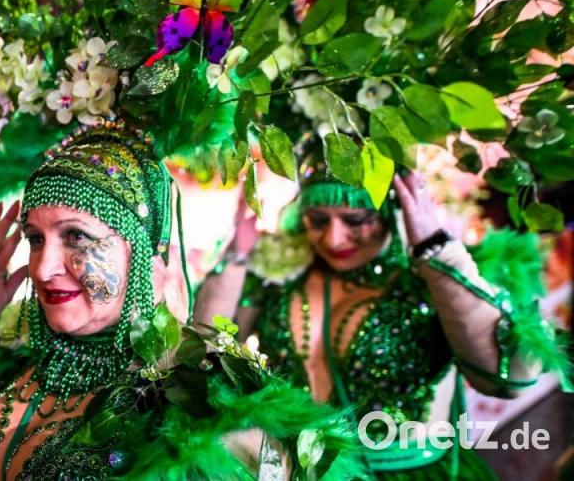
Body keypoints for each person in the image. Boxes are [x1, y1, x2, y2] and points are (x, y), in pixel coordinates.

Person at [0, 123, 363, 480]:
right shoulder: (25, 360)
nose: (43, 266)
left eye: (76, 236)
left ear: (144, 257)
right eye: (34, 239)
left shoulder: (199, 393)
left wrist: (175, 365)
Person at [195, 154, 568, 479]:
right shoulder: (280, 279)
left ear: (390, 209)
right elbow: (208, 358)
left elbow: (507, 378)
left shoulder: (430, 281)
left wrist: (437, 254)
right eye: (318, 220)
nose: (334, 239)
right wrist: (237, 259)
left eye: (356, 219)